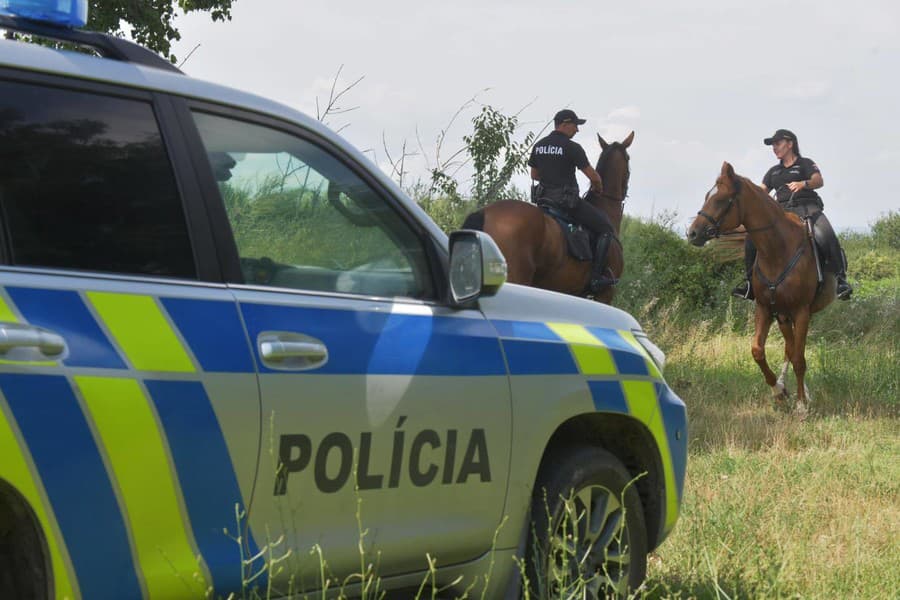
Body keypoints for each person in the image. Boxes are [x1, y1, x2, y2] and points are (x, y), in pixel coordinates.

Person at [733, 128, 852, 301]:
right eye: (772, 145)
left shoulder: (805, 163)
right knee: (751, 239)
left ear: (790, 144)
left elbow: (819, 181)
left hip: (807, 209)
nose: (774, 147)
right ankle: (750, 284)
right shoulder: (773, 171)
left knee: (826, 234)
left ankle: (841, 280)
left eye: (777, 143)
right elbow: (762, 192)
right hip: (781, 214)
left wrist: (803, 183)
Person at [528, 109, 616, 290]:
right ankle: (596, 278)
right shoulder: (572, 147)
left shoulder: (539, 145)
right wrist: (598, 189)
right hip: (566, 203)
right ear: (564, 124)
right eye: (575, 125)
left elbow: (535, 175)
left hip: (543, 201)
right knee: (606, 229)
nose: (577, 130)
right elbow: (594, 177)